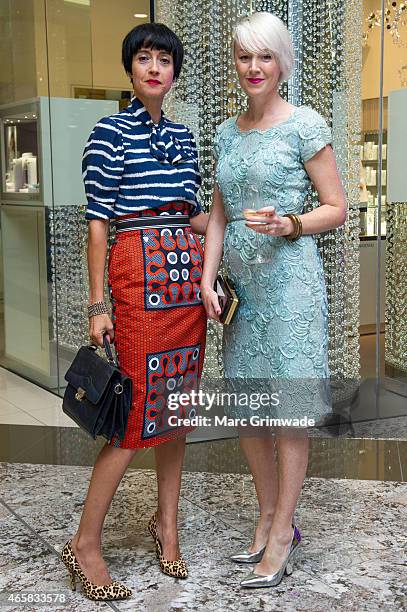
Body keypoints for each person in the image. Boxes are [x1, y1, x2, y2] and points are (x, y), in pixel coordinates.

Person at [60, 23, 208, 601]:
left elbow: (192, 216)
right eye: (143, 58)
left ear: (174, 72)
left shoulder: (186, 137)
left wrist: (235, 225)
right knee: (132, 412)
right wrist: (97, 303)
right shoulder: (108, 132)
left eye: (164, 60)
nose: (154, 68)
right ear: (130, 69)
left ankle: (166, 525)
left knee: (177, 409)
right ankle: (85, 543)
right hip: (134, 274)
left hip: (184, 282)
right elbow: (98, 223)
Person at [201, 12, 346, 589]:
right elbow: (217, 215)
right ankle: (266, 514)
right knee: (248, 410)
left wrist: (291, 223)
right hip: (242, 295)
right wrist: (208, 281)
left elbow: (336, 206)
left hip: (290, 285)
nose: (254, 67)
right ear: (235, 63)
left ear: (283, 62)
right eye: (244, 57)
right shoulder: (226, 132)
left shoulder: (305, 124)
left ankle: (284, 530)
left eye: (265, 57)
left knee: (287, 412)